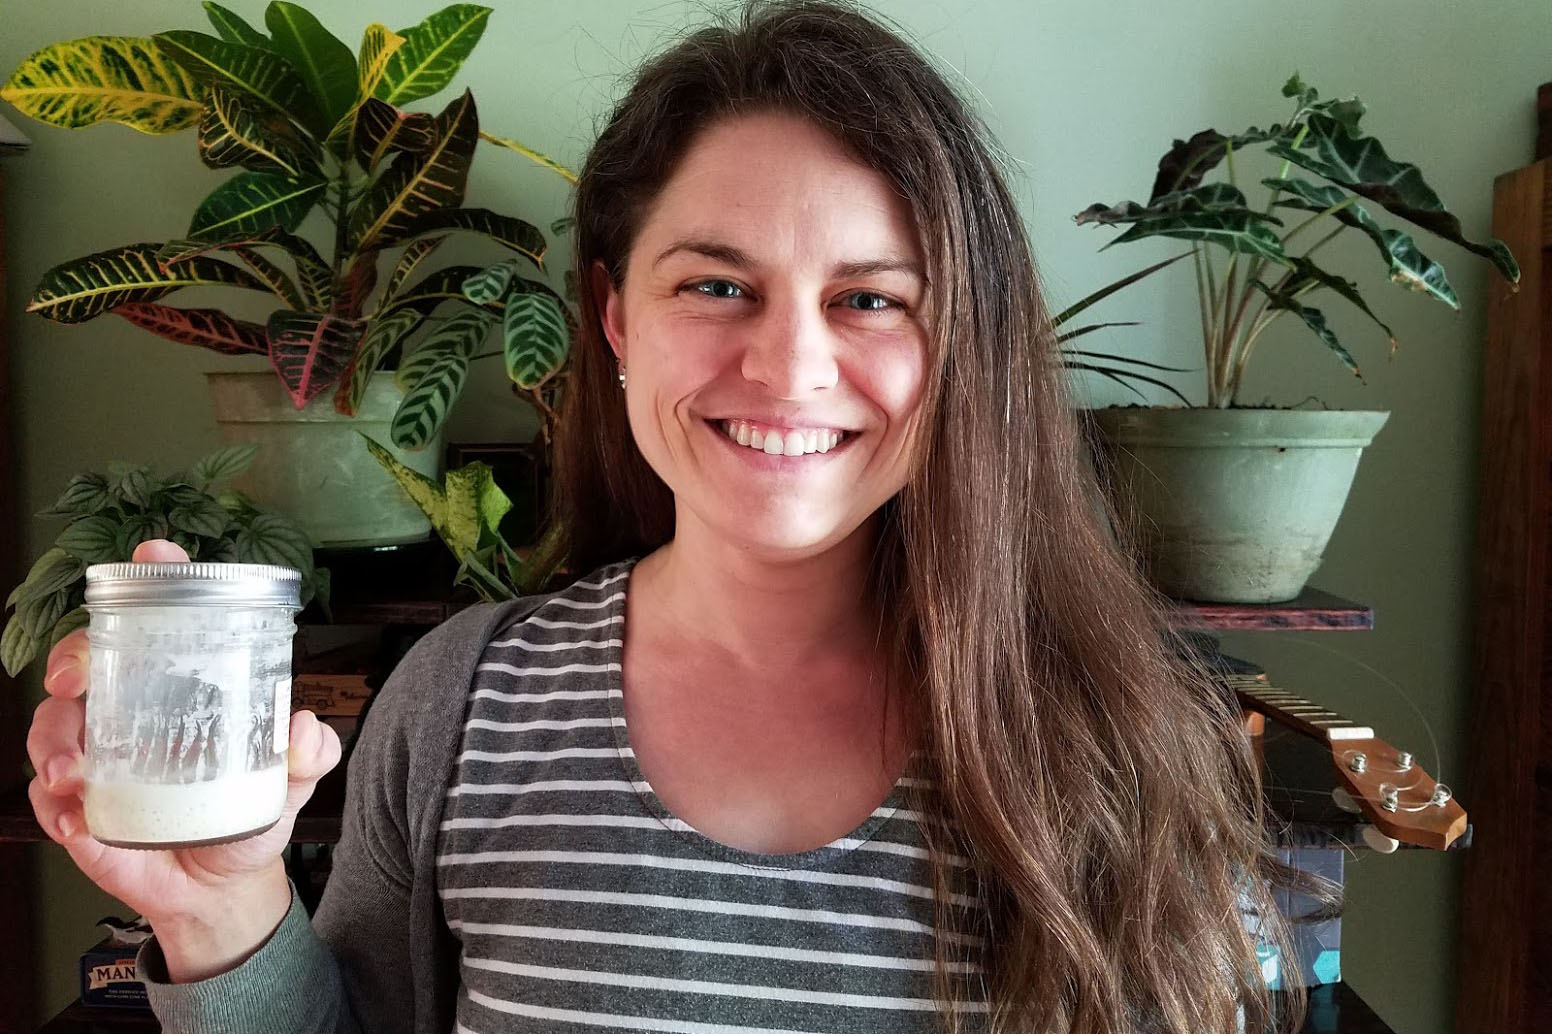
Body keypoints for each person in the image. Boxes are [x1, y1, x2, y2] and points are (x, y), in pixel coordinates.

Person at [26, 2, 1319, 1032]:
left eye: (870, 299)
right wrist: (223, 915)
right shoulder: (460, 704)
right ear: (616, 319)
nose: (789, 366)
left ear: (960, 342)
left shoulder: (1131, 738)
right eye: (717, 282)